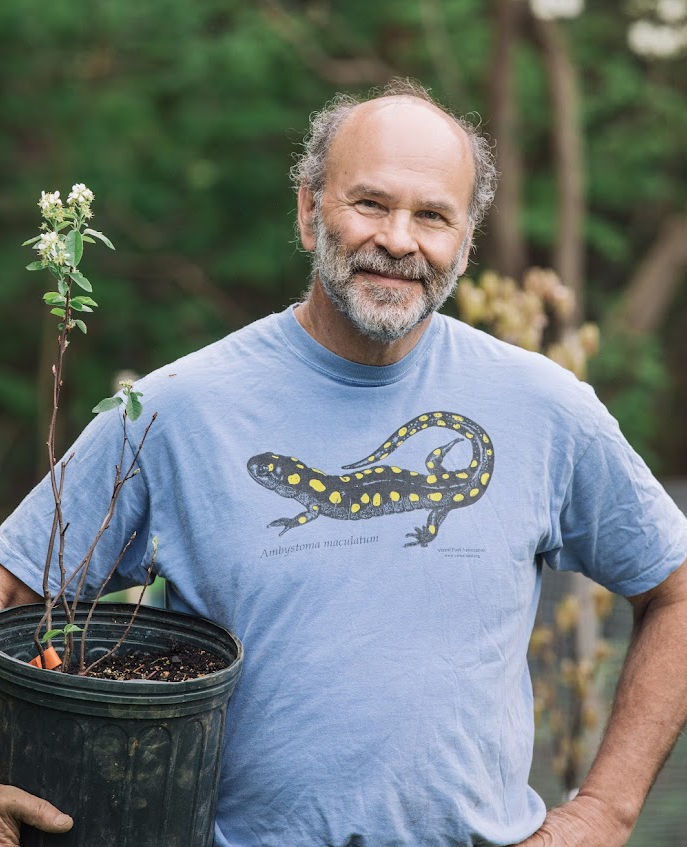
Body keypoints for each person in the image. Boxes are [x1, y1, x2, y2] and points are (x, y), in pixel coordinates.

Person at [1, 78, 686, 847]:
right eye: (369, 203)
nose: (398, 239)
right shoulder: (174, 409)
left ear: (465, 239)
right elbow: (15, 586)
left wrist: (602, 814)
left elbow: (675, 590)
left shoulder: (544, 407)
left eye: (432, 215)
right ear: (306, 210)